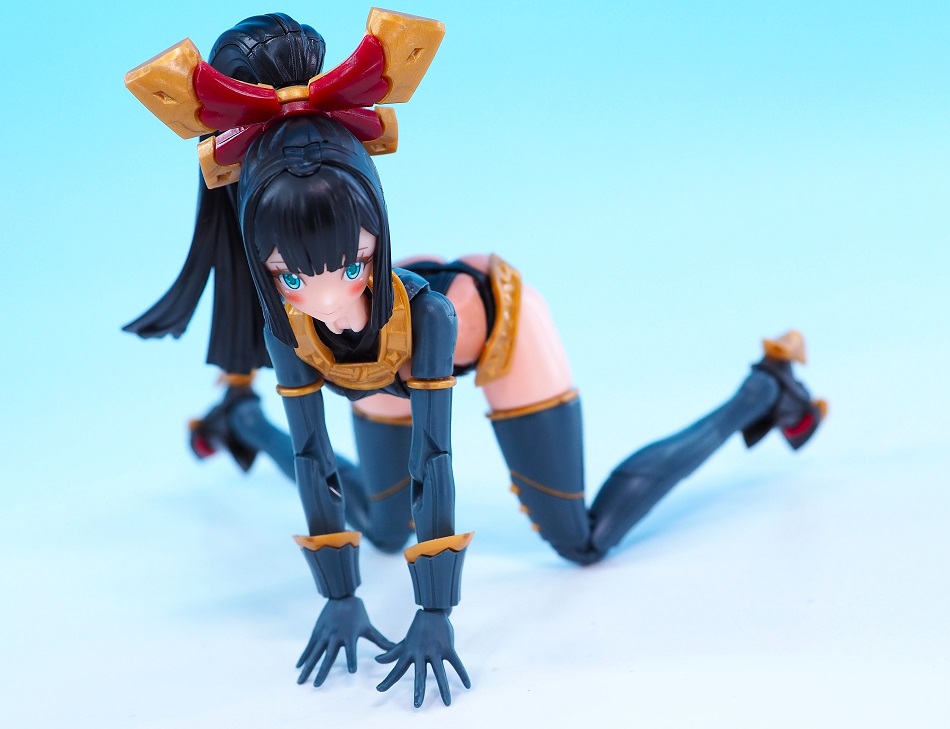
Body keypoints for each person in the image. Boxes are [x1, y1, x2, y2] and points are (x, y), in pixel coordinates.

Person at [124, 10, 826, 707]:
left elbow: (434, 459)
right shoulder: (289, 328)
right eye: (293, 277)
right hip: (380, 359)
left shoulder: (431, 317)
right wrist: (340, 597)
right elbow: (314, 457)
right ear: (265, 268)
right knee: (382, 530)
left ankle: (766, 389)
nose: (328, 300)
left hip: (485, 327)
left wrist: (434, 611)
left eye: (353, 264)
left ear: (376, 239)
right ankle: (241, 417)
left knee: (582, 541)